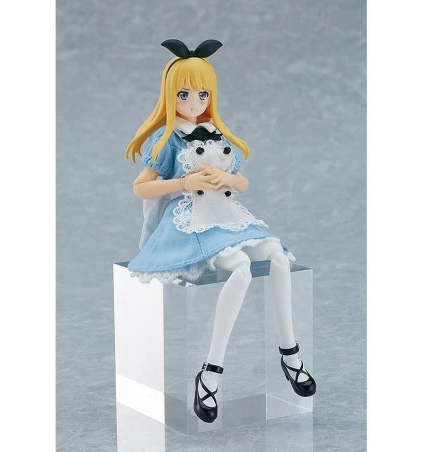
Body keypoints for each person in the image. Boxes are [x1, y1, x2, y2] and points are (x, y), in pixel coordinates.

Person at [126, 39, 316, 424]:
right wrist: (184, 183)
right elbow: (140, 187)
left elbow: (243, 183)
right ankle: (211, 372)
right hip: (193, 220)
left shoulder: (219, 135)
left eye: (203, 94)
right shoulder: (167, 139)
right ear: (170, 95)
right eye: (184, 94)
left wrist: (227, 178)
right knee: (241, 269)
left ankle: (290, 352)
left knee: (279, 257)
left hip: (229, 214)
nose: (194, 102)